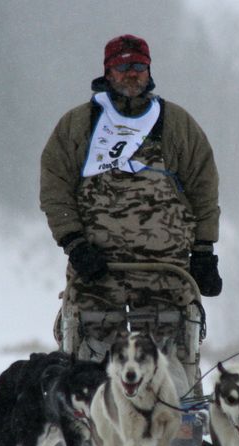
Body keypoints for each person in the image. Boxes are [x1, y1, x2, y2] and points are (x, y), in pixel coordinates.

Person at [40, 34, 222, 354]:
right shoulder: (77, 125)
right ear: (108, 72)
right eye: (122, 67)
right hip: (96, 276)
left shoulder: (177, 124)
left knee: (171, 379)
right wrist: (75, 244)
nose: (131, 73)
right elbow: (55, 188)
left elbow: (203, 189)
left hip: (167, 276)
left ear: (149, 71)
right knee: (86, 378)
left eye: (139, 66)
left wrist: (204, 251)